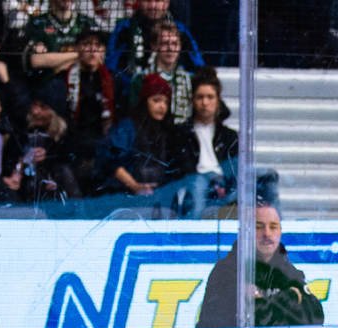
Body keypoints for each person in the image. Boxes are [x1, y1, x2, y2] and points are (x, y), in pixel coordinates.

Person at [196, 201, 324, 328]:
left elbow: (315, 319)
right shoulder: (226, 272)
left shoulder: (288, 271)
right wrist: (292, 297)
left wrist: (261, 300)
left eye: (273, 227)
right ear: (246, 232)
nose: (267, 233)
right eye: (258, 227)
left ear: (280, 231)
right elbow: (222, 325)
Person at [99, 73, 187, 202]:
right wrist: (135, 186)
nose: (162, 106)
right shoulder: (128, 127)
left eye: (166, 102)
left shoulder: (167, 130)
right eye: (156, 100)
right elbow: (111, 161)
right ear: (145, 102)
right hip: (127, 197)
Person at [176, 68, 236, 215]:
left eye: (210, 97)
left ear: (218, 100)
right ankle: (196, 228)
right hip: (197, 180)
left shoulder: (229, 136)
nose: (205, 102)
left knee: (267, 177)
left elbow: (235, 169)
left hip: (223, 181)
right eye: (200, 97)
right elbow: (183, 169)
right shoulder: (181, 133)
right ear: (192, 100)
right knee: (197, 185)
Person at [107, 0, 203, 78]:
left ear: (167, 2)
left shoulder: (181, 30)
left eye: (158, 1)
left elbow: (198, 67)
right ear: (139, 2)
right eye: (148, 1)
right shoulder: (125, 29)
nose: (153, 6)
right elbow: (111, 68)